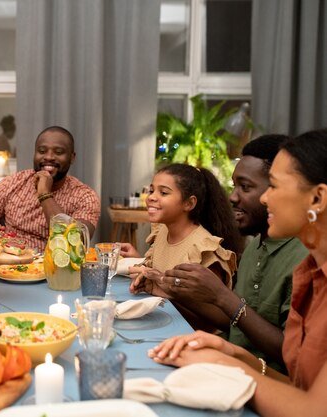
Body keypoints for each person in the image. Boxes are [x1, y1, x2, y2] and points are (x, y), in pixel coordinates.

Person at [149, 129, 327, 416]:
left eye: (274, 186)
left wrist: (228, 365)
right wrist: (231, 351)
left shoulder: (306, 264)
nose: (267, 198)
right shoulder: (311, 271)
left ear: (317, 199)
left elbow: (313, 409)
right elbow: (299, 386)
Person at [128, 163, 244, 331]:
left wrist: (168, 292)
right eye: (151, 190)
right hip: (161, 327)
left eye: (164, 192)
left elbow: (213, 323)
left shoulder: (204, 248)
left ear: (189, 204)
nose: (151, 197)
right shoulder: (162, 232)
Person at [0, 126, 100, 251]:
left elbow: (74, 243)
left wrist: (45, 193)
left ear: (72, 157)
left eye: (59, 152)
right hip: (9, 265)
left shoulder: (86, 197)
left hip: (54, 269)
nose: (49, 157)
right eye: (42, 151)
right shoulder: (12, 183)